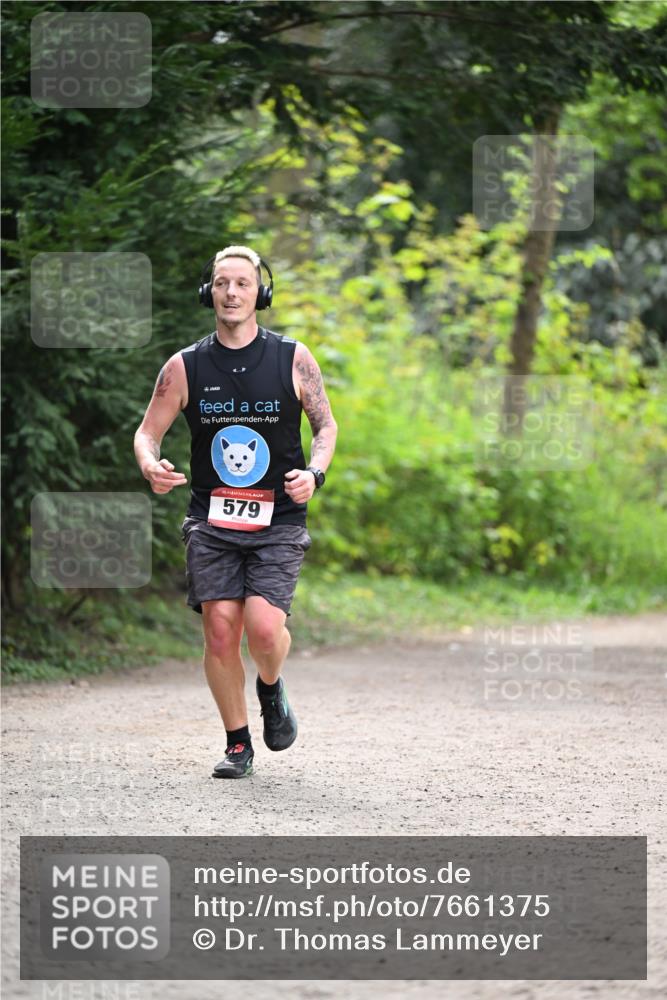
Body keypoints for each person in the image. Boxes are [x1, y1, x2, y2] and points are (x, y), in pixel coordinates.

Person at [133, 245, 337, 778]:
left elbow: (326, 427)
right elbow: (147, 432)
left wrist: (313, 475)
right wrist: (150, 464)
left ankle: (271, 687)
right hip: (212, 520)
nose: (231, 292)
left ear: (259, 292)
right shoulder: (185, 366)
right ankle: (238, 744)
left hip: (279, 519)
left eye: (242, 283)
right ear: (210, 292)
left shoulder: (293, 358)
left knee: (265, 631)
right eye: (222, 283)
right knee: (221, 631)